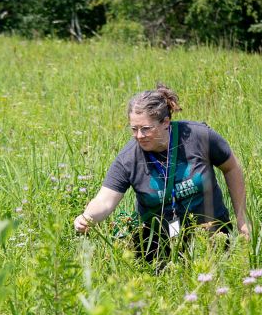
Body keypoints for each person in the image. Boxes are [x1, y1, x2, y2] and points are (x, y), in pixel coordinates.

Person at [73, 84, 249, 263]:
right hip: (156, 244)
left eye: (146, 128)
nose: (139, 136)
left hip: (210, 234)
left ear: (166, 122)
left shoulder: (199, 136)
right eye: (134, 129)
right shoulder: (128, 159)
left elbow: (231, 168)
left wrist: (242, 218)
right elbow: (105, 200)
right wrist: (87, 217)